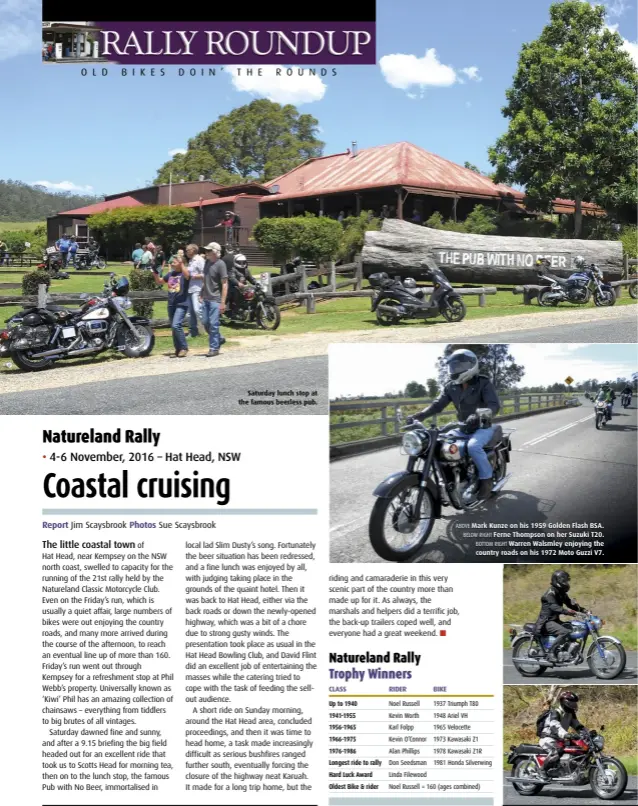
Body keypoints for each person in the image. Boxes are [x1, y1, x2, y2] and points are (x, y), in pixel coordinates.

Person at [409, 349, 501, 501]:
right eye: (453, 367)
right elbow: (437, 405)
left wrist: (478, 415)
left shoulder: (483, 383)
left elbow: (494, 405)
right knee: (440, 445)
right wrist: (419, 415)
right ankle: (452, 479)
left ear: (471, 365)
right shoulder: (451, 386)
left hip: (482, 426)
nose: (455, 370)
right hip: (462, 427)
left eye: (459, 366)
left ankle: (486, 480)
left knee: (473, 447)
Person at [533, 570, 586, 660]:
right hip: (546, 622)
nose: (566, 583)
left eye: (566, 581)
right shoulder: (550, 593)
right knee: (564, 632)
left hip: (554, 620)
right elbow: (553, 607)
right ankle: (550, 652)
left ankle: (565, 651)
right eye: (564, 581)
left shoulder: (561, 593)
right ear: (557, 581)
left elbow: (570, 604)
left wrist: (583, 610)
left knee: (571, 628)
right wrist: (568, 612)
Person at [538, 692, 588, 780]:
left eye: (575, 703)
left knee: (580, 748)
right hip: (549, 738)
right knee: (557, 751)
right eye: (572, 703)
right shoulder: (555, 712)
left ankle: (571, 769)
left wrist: (587, 733)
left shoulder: (570, 714)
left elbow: (577, 725)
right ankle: (542, 770)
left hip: (561, 738)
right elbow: (554, 725)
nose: (574, 705)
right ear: (565, 703)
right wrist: (565, 734)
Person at [152, 255, 191, 358]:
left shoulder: (184, 273)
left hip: (181, 303)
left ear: (180, 263)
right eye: (172, 262)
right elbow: (159, 281)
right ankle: (177, 350)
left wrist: (182, 263)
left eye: (174, 262)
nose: (172, 263)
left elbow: (188, 276)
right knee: (174, 328)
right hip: (171, 304)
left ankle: (184, 347)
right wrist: (155, 273)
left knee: (176, 325)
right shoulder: (170, 274)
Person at [199, 242, 228, 357]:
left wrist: (222, 302)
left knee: (213, 324)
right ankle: (219, 338)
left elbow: (225, 284)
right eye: (206, 251)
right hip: (206, 298)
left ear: (216, 252)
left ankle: (214, 348)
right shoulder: (206, 263)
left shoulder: (221, 264)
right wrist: (201, 293)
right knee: (205, 322)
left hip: (215, 299)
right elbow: (205, 280)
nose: (206, 253)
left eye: (209, 251)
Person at [185, 243, 205, 339]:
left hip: (197, 289)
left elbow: (205, 274)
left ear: (193, 250)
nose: (186, 252)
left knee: (198, 310)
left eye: (187, 250)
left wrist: (193, 276)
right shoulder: (191, 261)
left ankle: (208, 328)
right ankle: (193, 332)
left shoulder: (200, 260)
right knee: (190, 312)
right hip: (190, 289)